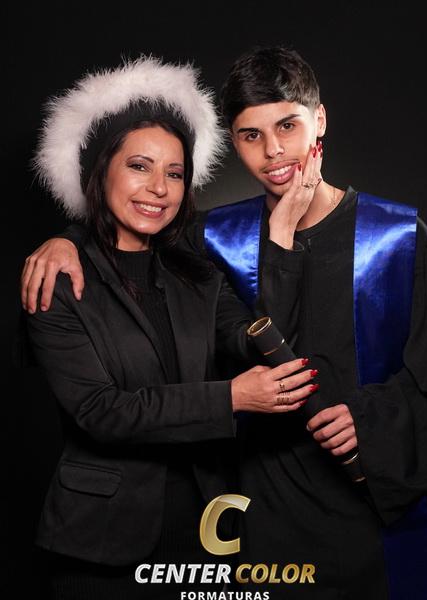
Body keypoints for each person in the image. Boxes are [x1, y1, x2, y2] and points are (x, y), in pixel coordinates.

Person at [21, 47, 427, 599]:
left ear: (319, 120)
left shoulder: (399, 239)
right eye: (251, 135)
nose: (273, 152)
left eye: (288, 126)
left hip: (363, 501)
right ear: (233, 140)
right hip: (249, 512)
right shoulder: (216, 239)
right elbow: (132, 227)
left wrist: (367, 419)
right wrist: (67, 238)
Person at [21, 55, 321, 600]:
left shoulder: (195, 270)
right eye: (140, 166)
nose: (159, 188)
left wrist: (280, 235)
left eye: (175, 173)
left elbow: (260, 337)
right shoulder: (59, 279)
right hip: (99, 548)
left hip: (205, 536)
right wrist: (230, 398)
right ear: (100, 171)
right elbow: (101, 413)